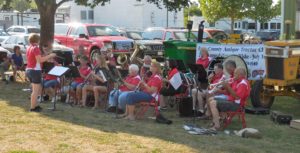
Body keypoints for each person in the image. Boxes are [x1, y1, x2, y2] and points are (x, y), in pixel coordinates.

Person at [26, 33, 56, 112]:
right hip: (35, 70)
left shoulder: (29, 47)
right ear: (37, 40)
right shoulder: (36, 48)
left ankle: (35, 105)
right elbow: (40, 60)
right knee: (36, 91)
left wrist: (45, 55)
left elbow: (37, 58)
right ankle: (33, 108)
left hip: (29, 70)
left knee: (36, 89)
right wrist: (50, 56)